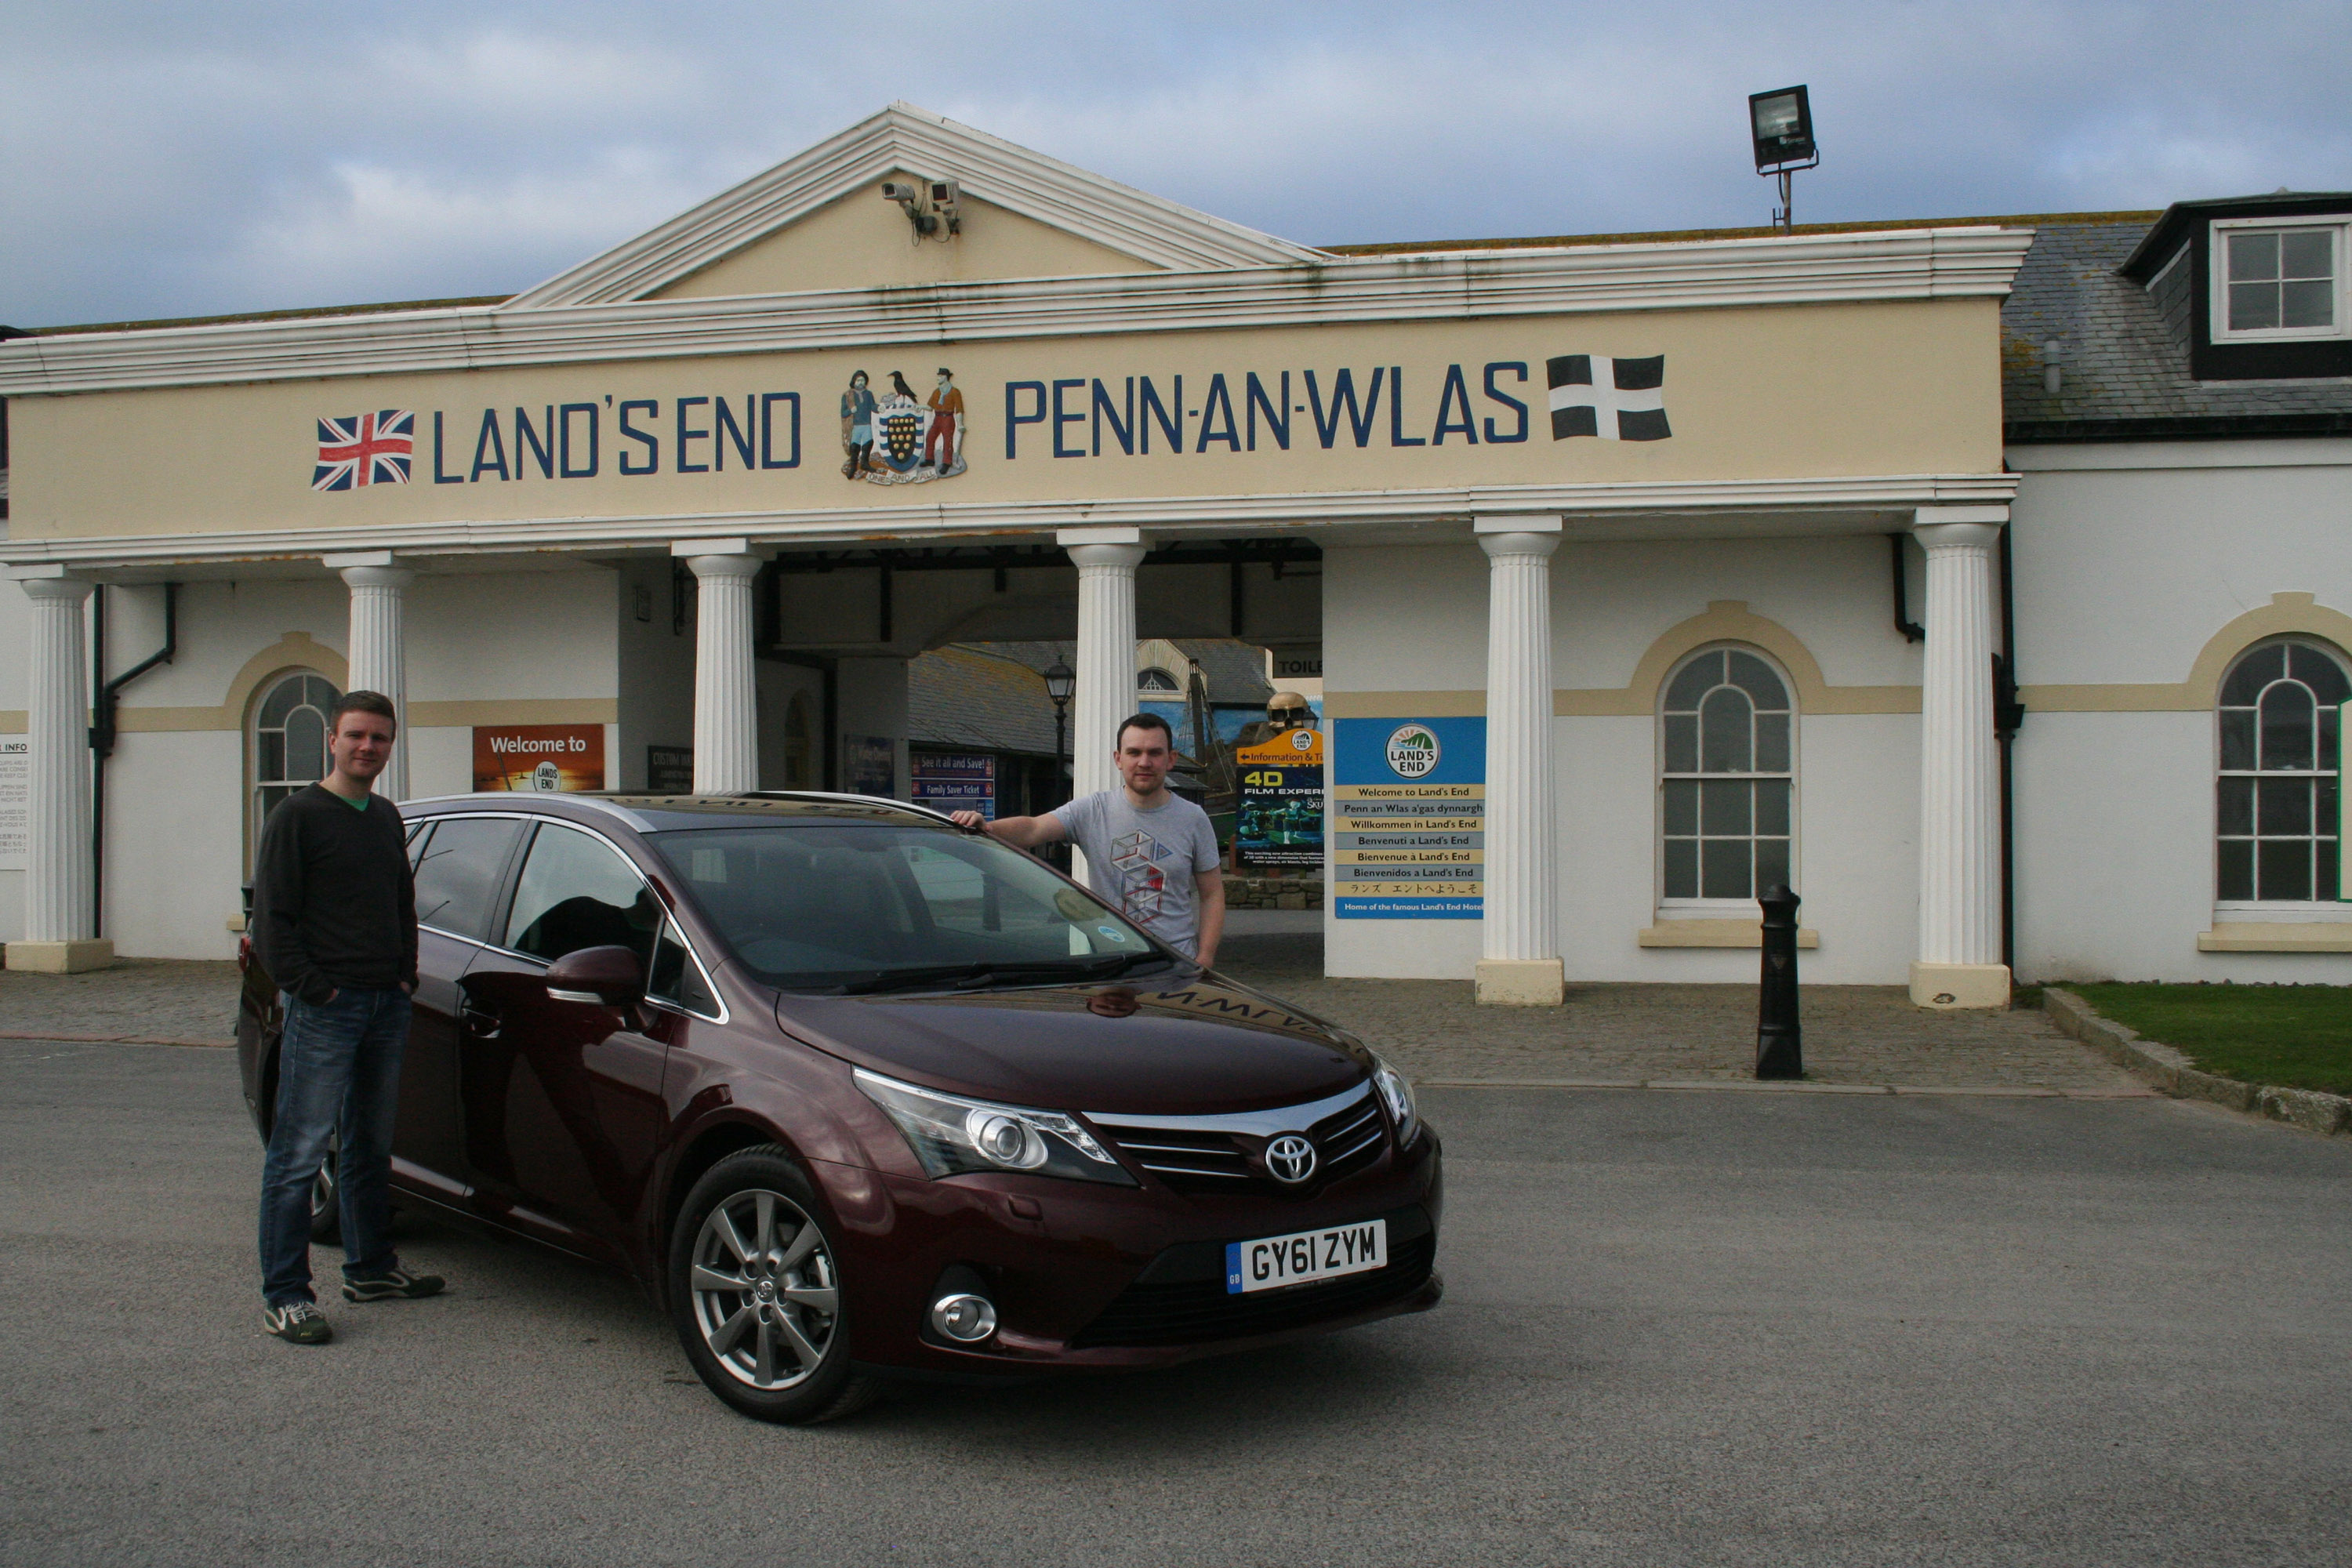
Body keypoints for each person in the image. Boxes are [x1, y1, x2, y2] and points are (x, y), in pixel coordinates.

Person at [249, 690, 442, 1345]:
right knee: (300, 1153)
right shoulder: (297, 817)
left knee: (370, 1146)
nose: (368, 747)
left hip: (386, 1002)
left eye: (380, 738)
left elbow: (400, 902)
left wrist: (405, 975)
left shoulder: (385, 816)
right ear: (331, 739)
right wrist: (318, 991)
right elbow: (271, 923)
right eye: (357, 735)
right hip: (328, 1008)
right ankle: (285, 1296)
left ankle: (371, 1269)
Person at [953, 713, 1225, 967]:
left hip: (1175, 961)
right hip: (1111, 960)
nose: (1144, 762)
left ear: (1171, 759)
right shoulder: (1091, 810)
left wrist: (1205, 958)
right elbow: (1033, 828)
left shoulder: (1193, 818)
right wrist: (987, 826)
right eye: (1134, 753)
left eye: (1155, 753)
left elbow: (1212, 894)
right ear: (1118, 759)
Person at [924, 367, 964, 470]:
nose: (938, 378)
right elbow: (930, 407)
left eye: (940, 376)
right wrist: (920, 407)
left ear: (946, 377)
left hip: (948, 418)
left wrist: (960, 424)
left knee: (947, 441)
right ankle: (929, 459)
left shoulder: (955, 392)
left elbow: (959, 410)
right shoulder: (937, 392)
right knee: (930, 437)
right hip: (937, 418)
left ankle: (947, 462)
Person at [840, 370, 876, 477]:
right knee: (855, 447)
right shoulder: (848, 395)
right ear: (854, 381)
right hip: (855, 425)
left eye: (863, 380)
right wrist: (851, 410)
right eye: (858, 380)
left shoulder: (868, 394)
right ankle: (853, 466)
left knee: (868, 444)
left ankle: (865, 463)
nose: (861, 382)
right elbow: (843, 413)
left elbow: (872, 406)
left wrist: (880, 408)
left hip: (867, 424)